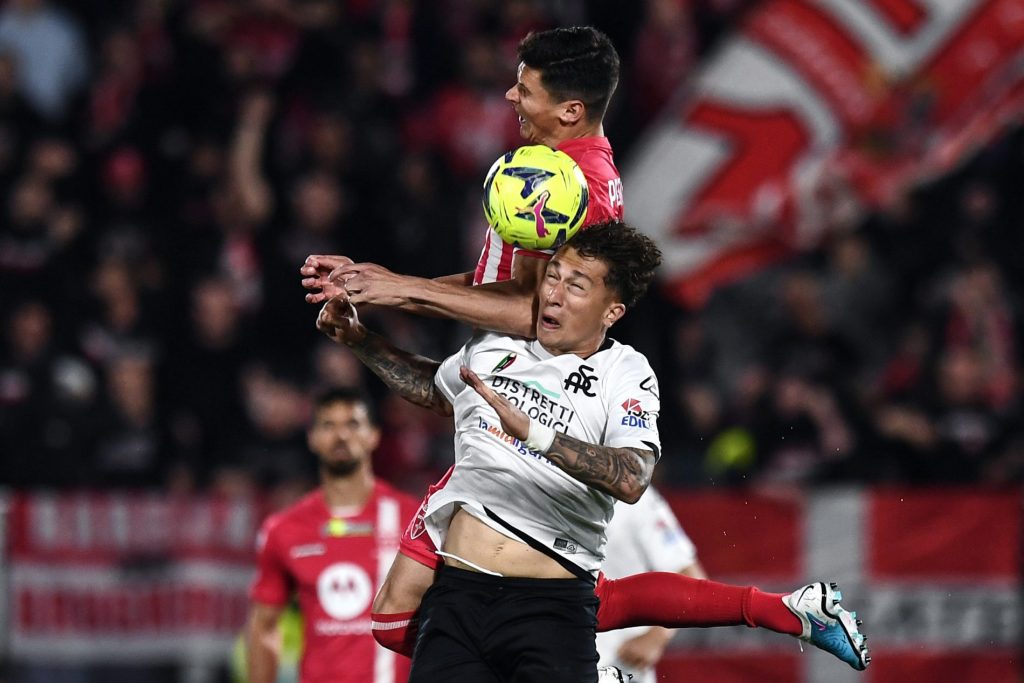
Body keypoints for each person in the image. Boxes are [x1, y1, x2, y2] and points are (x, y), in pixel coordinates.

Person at [303, 27, 870, 677]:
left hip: (552, 389)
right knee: (417, 614)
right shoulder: (549, 168)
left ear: (571, 110)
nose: (510, 96)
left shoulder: (580, 187)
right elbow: (499, 288)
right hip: (499, 382)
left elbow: (534, 312)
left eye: (526, 89)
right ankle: (767, 611)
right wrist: (381, 290)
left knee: (511, 596)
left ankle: (627, 637)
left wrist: (399, 290)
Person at [318, 222, 870, 679]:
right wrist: (362, 341)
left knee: (601, 599)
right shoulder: (497, 344)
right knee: (389, 623)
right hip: (459, 596)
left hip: (551, 608)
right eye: (553, 276)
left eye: (577, 286)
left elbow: (632, 477)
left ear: (612, 311)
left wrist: (535, 434)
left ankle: (785, 611)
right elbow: (435, 390)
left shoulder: (624, 373)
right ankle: (782, 611)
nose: (554, 294)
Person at [246, 388, 420, 683]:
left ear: (374, 435)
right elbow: (264, 627)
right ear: (312, 438)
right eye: (328, 425)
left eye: (353, 424)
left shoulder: (412, 520)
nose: (341, 435)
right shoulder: (284, 529)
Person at [595, 487, 707, 682]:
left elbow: (691, 579)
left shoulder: (633, 496)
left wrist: (657, 635)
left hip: (615, 665)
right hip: (550, 661)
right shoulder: (542, 484)